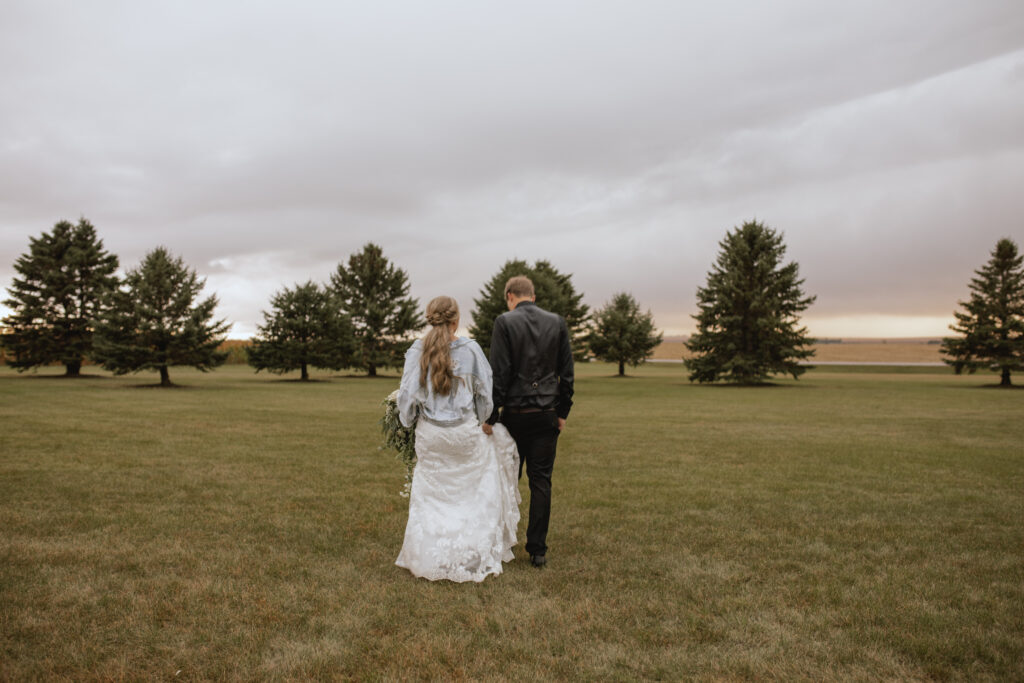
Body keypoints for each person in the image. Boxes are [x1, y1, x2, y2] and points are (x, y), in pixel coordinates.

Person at [395, 296, 521, 583]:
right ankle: (470, 552)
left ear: (430, 318)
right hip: (463, 433)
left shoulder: (417, 349)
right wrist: (480, 418)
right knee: (470, 492)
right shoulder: (472, 349)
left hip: (431, 434)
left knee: (431, 496)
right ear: (457, 320)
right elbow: (486, 396)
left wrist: (408, 421)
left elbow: (406, 397)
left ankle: (428, 555)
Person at [483, 276, 574, 568]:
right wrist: (562, 412)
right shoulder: (557, 322)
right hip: (546, 413)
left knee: (505, 479)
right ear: (532, 296)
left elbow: (499, 372)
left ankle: (500, 542)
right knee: (541, 482)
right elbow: (567, 372)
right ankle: (537, 550)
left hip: (514, 416)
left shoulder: (504, 323)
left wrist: (490, 416)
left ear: (510, 295)